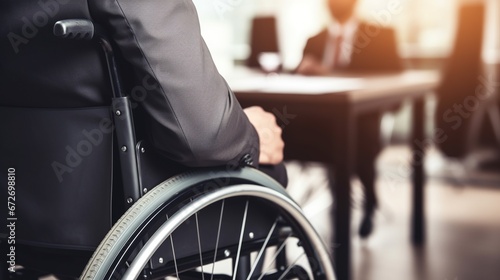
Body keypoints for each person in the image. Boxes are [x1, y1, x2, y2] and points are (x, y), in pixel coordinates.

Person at [0, 0, 285, 277]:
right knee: (268, 169)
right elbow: (203, 135)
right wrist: (251, 139)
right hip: (119, 211)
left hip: (18, 213)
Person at [296, 0, 403, 238]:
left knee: (358, 134)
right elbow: (297, 80)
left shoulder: (380, 36)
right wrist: (301, 70)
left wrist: (330, 73)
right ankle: (284, 212)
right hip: (320, 124)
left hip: (363, 122)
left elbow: (396, 83)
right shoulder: (314, 40)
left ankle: (368, 201)